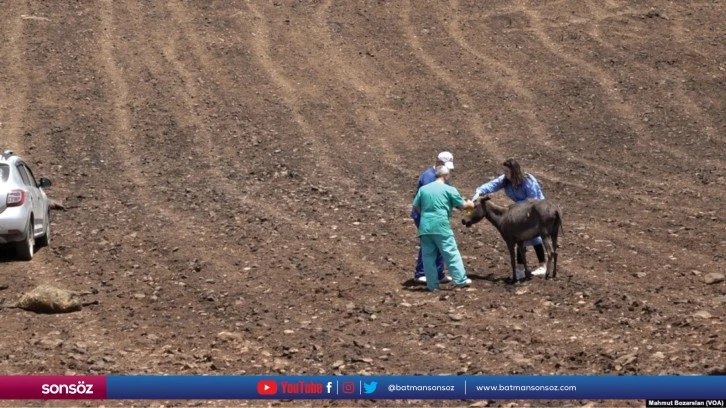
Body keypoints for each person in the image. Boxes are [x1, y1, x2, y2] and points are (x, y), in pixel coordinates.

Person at [472, 158, 547, 278]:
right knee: (519, 237)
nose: (505, 174)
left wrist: (516, 207)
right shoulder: (506, 180)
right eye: (504, 171)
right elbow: (492, 185)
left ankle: (541, 266)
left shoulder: (528, 181)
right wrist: (479, 191)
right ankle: (521, 269)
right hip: (520, 209)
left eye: (507, 171)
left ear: (514, 170)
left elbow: (533, 199)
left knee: (532, 237)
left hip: (535, 209)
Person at [412, 165, 475, 292]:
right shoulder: (449, 189)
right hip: (441, 225)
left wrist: (426, 214)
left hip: (425, 226)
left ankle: (432, 285)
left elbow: (416, 206)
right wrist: (471, 204)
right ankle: (460, 280)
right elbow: (463, 205)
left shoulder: (423, 189)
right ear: (446, 176)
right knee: (451, 252)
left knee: (428, 256)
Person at [411, 151, 456, 284]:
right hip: (425, 215)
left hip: (435, 215)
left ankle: (438, 273)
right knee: (429, 242)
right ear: (437, 162)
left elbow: (450, 191)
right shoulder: (428, 176)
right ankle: (421, 273)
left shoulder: (440, 176)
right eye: (443, 165)